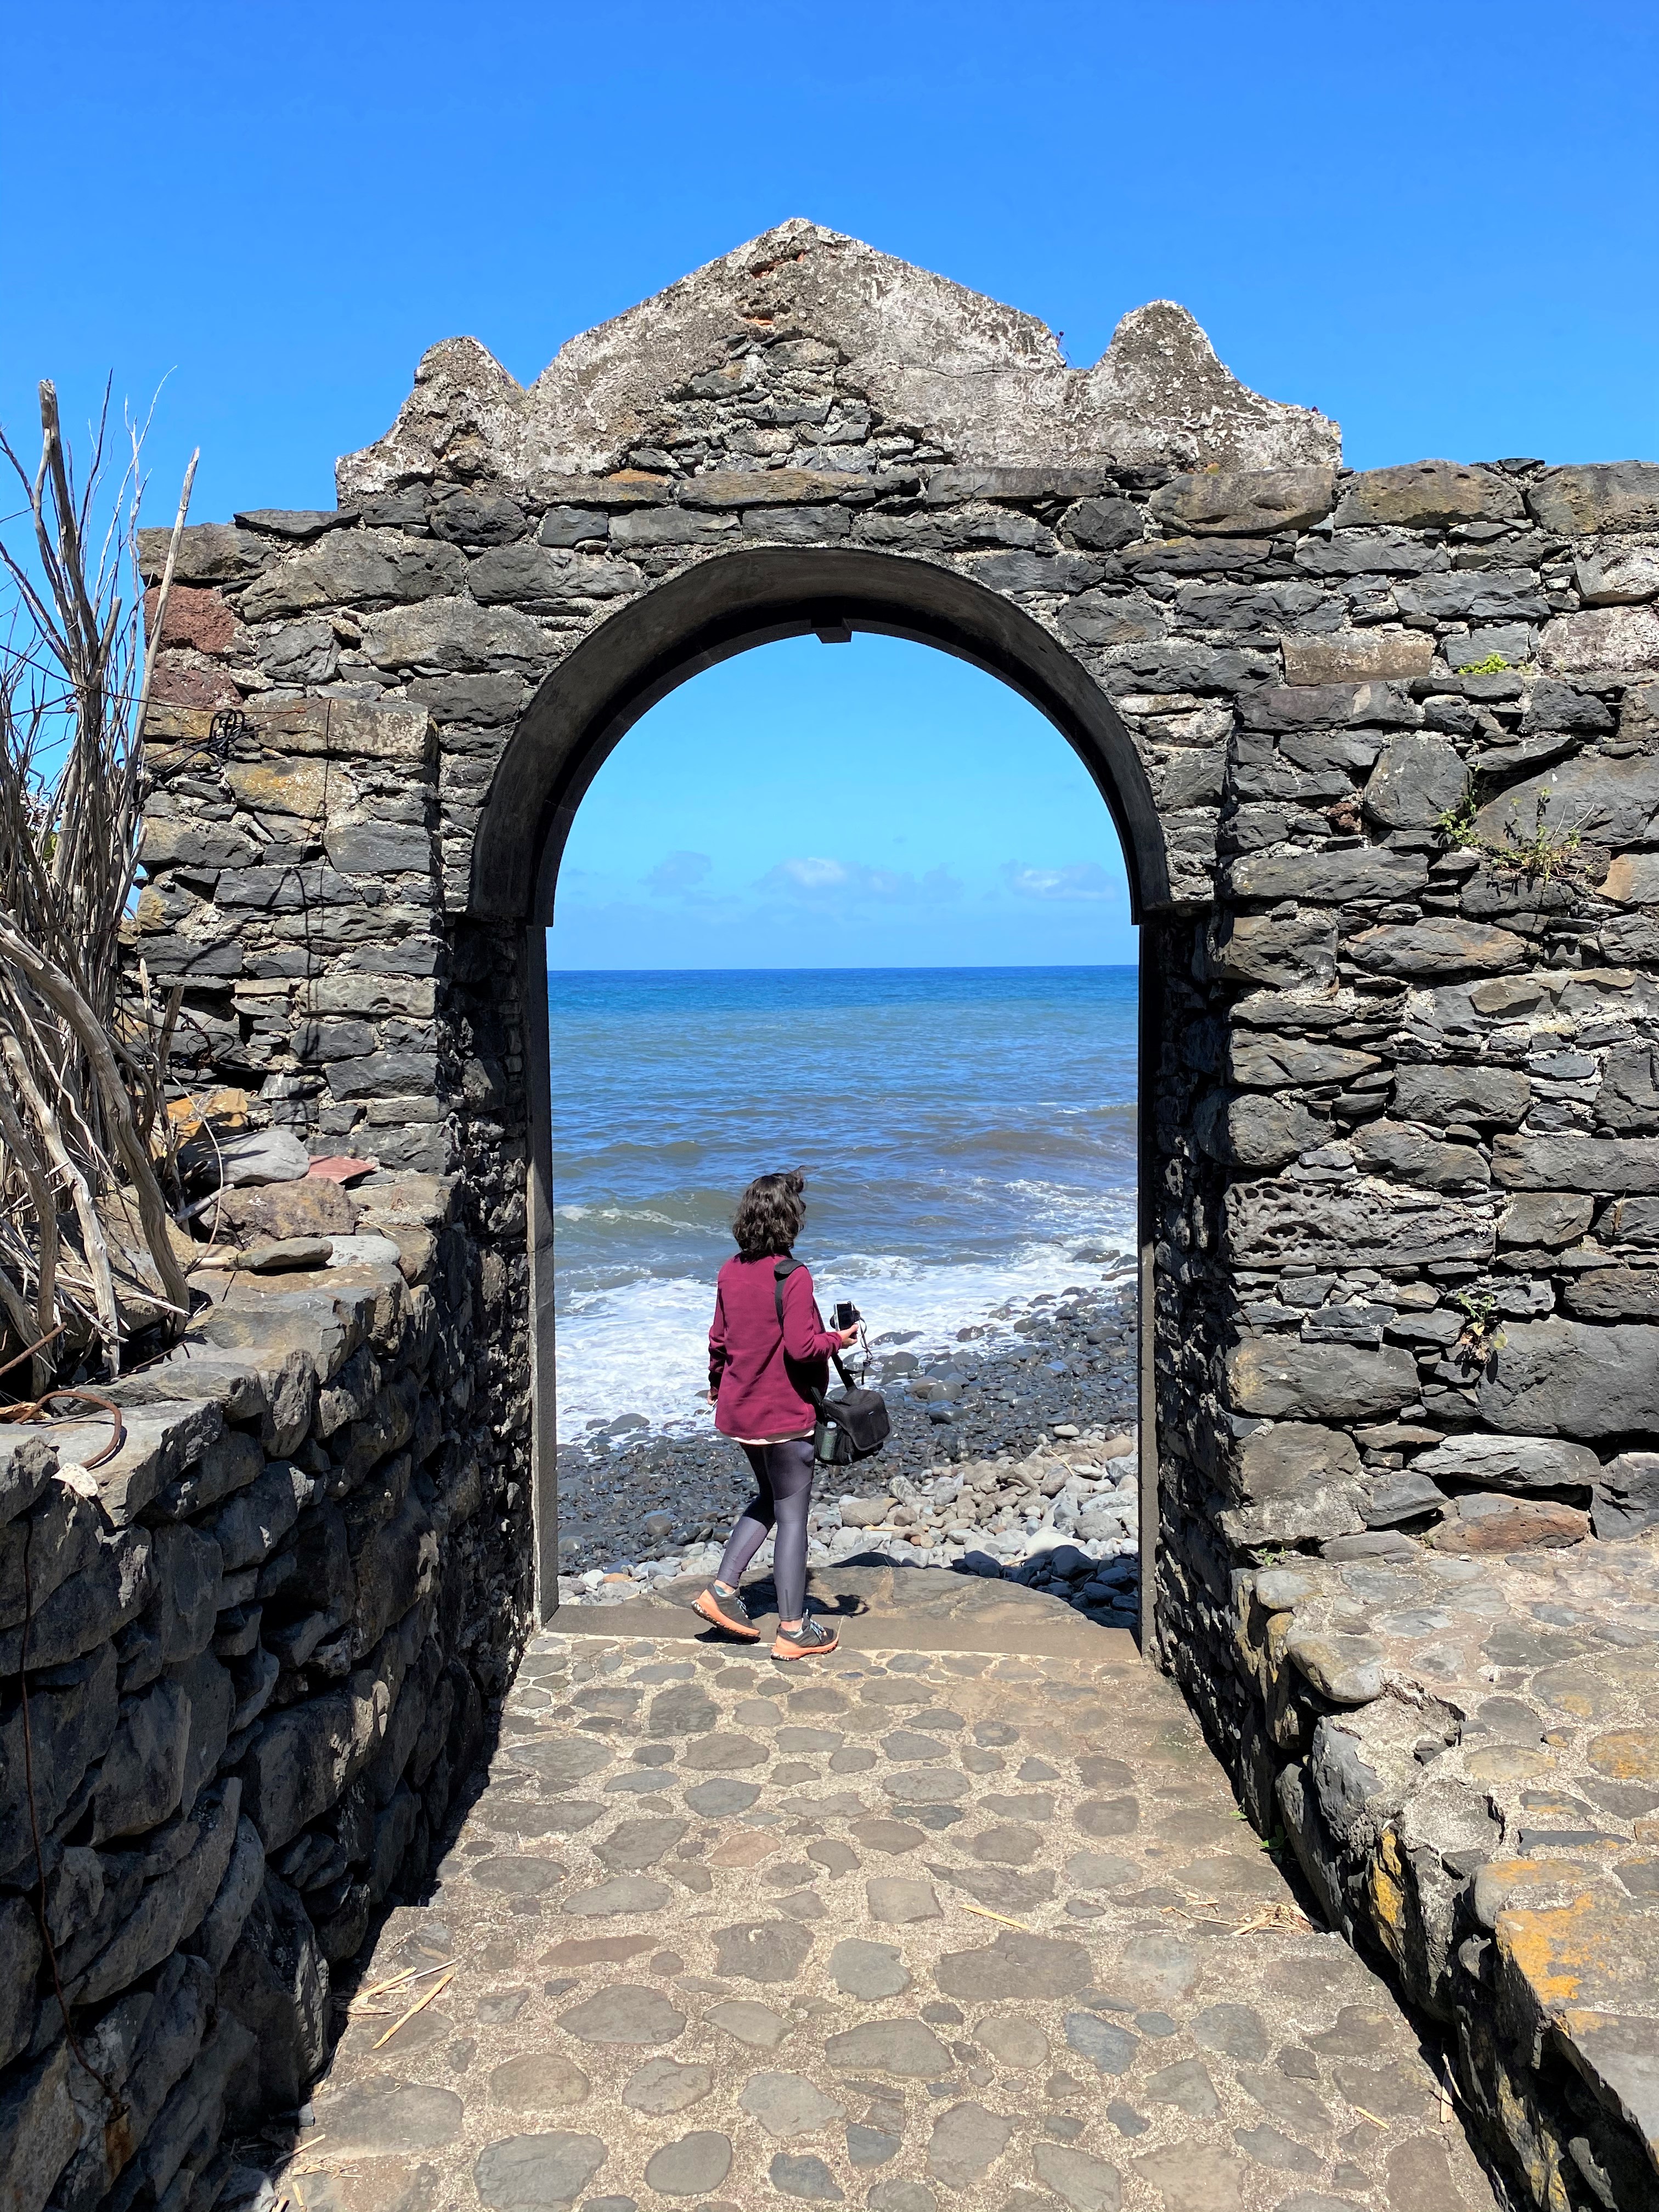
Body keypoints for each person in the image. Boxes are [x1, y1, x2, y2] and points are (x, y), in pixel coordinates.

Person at [693, 1169, 859, 1660]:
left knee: (767, 1496)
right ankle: (793, 1629)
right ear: (789, 1221)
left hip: (741, 1410)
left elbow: (719, 1340)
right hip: (785, 1414)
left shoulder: (729, 1270)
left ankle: (722, 1592)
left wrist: (716, 1384)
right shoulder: (793, 1274)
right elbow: (804, 1347)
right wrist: (840, 1340)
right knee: (792, 1518)